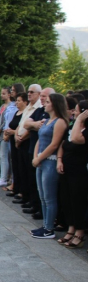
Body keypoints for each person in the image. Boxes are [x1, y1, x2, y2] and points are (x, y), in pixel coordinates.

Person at [30, 93, 69, 239]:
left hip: (50, 161)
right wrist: (36, 157)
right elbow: (39, 140)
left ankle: (49, 228)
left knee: (49, 197)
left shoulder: (60, 122)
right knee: (42, 196)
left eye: (47, 102)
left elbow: (54, 144)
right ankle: (45, 224)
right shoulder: (46, 121)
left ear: (55, 104)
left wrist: (39, 157)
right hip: (41, 160)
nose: (44, 104)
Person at [57, 100, 88, 248]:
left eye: (76, 111)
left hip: (79, 171)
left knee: (77, 201)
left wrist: (80, 120)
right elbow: (64, 144)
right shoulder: (72, 127)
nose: (74, 113)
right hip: (66, 168)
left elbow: (76, 139)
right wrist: (59, 160)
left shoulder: (84, 130)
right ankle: (71, 228)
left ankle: (80, 232)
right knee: (66, 199)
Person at [22, 88, 55, 217]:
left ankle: (43, 212)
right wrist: (35, 124)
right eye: (41, 96)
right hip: (34, 149)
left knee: (45, 188)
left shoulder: (52, 115)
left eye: (45, 97)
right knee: (32, 179)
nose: (42, 99)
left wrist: (33, 125)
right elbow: (26, 124)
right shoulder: (39, 110)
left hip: (46, 155)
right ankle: (34, 203)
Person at [13, 84, 43, 206]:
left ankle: (33, 200)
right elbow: (22, 124)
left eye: (32, 92)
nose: (29, 94)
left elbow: (31, 128)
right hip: (20, 140)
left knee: (30, 172)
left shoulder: (39, 107)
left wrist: (21, 139)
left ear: (39, 94)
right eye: (28, 91)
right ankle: (24, 195)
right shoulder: (28, 107)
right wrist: (16, 136)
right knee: (22, 170)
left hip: (28, 142)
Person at [4, 92, 28, 199]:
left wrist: (13, 132)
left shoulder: (26, 113)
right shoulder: (17, 112)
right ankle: (15, 187)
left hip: (21, 141)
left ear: (25, 102)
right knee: (15, 165)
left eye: (19, 101)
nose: (17, 103)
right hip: (13, 141)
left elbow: (22, 128)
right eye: (16, 101)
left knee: (21, 166)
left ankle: (22, 190)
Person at [0, 87, 16, 187]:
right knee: (1, 156)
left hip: (3, 133)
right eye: (1, 93)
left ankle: (4, 178)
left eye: (4, 93)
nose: (2, 95)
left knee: (4, 156)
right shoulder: (2, 106)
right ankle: (2, 177)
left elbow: (6, 122)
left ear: (9, 95)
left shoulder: (12, 106)